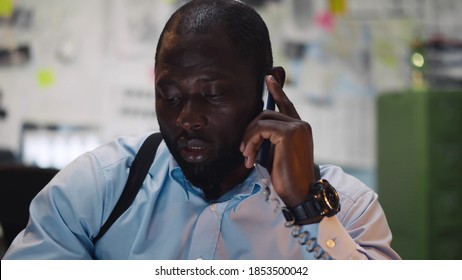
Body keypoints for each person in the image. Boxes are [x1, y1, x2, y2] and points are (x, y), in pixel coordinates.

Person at [3, 0, 400, 260]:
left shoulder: (347, 207)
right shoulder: (99, 188)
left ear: (269, 85)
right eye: (170, 95)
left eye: (212, 94)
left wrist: (305, 207)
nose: (187, 118)